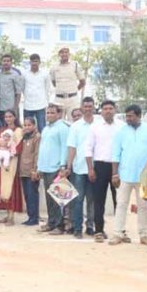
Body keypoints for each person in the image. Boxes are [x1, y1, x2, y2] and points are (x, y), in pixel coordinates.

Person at [110, 105, 147, 246]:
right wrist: (115, 174)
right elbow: (115, 154)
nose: (128, 118)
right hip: (125, 174)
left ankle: (143, 235)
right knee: (121, 204)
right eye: (127, 116)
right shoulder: (121, 132)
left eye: (131, 116)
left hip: (144, 175)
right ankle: (118, 233)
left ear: (139, 115)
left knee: (143, 206)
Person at [84, 100, 123, 243]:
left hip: (118, 167)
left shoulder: (122, 126)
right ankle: (99, 230)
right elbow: (88, 148)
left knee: (119, 200)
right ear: (101, 111)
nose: (108, 111)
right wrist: (90, 168)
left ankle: (120, 231)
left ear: (115, 110)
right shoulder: (95, 127)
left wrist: (118, 171)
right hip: (99, 166)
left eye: (110, 108)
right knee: (98, 200)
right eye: (105, 108)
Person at [64, 97, 97, 238]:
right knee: (78, 200)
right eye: (86, 106)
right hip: (78, 169)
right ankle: (78, 228)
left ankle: (91, 226)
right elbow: (72, 147)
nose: (88, 108)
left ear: (94, 107)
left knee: (93, 200)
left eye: (90, 106)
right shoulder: (76, 126)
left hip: (96, 168)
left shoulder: (100, 124)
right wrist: (68, 166)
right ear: (82, 108)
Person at [36, 105, 70, 235]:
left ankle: (59, 226)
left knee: (58, 199)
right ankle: (51, 223)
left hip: (56, 168)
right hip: (45, 167)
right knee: (49, 198)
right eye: (47, 113)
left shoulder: (62, 128)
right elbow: (42, 149)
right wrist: (39, 167)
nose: (49, 115)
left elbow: (64, 148)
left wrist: (62, 166)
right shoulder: (45, 129)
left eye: (52, 113)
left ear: (58, 114)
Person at [0, 110, 25, 225]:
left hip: (12, 162)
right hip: (1, 162)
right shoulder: (2, 130)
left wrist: (10, 153)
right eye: (6, 117)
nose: (8, 119)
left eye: (10, 116)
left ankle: (11, 217)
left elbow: (19, 147)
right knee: (2, 187)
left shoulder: (19, 131)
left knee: (11, 188)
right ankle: (6, 214)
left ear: (15, 117)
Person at [49, 46, 84, 124]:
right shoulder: (54, 67)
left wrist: (74, 90)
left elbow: (82, 82)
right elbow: (54, 83)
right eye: (62, 52)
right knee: (58, 123)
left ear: (69, 54)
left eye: (66, 52)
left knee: (75, 122)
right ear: (59, 54)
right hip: (59, 99)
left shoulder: (75, 65)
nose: (64, 54)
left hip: (72, 99)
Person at [18, 116, 41, 226]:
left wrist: (35, 170)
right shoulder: (24, 137)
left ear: (34, 125)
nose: (27, 127)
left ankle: (34, 218)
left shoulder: (37, 137)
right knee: (27, 195)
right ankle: (30, 217)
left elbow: (37, 154)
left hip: (32, 171)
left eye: (29, 125)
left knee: (33, 195)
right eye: (25, 125)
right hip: (23, 170)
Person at [22, 53, 53, 131]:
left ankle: (42, 143)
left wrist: (47, 102)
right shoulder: (24, 74)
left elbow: (48, 89)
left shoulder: (45, 74)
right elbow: (22, 88)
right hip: (28, 105)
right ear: (30, 63)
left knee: (42, 128)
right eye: (32, 61)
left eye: (36, 61)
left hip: (41, 105)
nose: (34, 63)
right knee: (27, 128)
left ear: (39, 62)